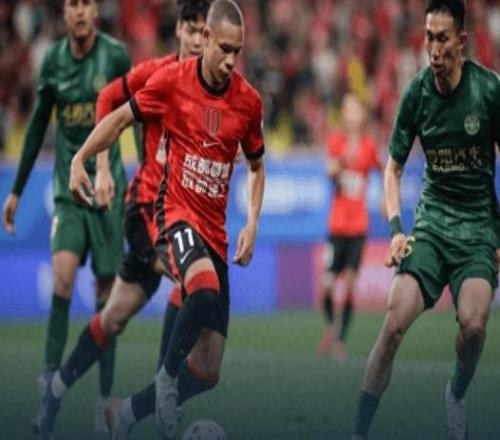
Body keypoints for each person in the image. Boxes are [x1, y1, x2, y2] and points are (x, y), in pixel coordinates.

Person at [42, 1, 265, 439]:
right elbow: (114, 110)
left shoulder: (247, 102)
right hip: (158, 212)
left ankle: (95, 402)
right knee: (197, 285)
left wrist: (253, 221)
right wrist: (87, 161)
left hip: (212, 232)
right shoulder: (164, 77)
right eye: (220, 46)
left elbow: (257, 165)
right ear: (192, 34)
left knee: (197, 363)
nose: (230, 59)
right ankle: (165, 378)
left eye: (237, 51)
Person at [352, 1, 499, 439]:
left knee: (473, 326)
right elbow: (392, 170)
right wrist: (397, 229)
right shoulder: (416, 93)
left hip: (478, 227)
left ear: (461, 41)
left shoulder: (489, 90)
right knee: (394, 320)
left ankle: (455, 393)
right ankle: (358, 432)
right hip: (432, 224)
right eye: (428, 37)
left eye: (442, 39)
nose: (433, 49)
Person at [1, 0, 131, 434]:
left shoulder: (115, 56)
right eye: (71, 4)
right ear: (64, 14)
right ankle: (48, 396)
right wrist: (16, 190)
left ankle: (104, 401)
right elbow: (38, 124)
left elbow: (134, 116)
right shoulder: (53, 61)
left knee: (107, 297)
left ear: (95, 11)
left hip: (107, 190)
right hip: (68, 191)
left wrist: (147, 172)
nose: (78, 11)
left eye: (85, 3)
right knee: (62, 279)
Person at [318, 93, 382, 361]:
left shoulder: (369, 146)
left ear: (362, 115)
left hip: (358, 227)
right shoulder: (337, 142)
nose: (351, 114)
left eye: (354, 109)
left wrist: (386, 199)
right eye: (346, 110)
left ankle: (340, 339)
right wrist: (344, 158)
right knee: (327, 286)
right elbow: (330, 170)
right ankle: (331, 327)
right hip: (336, 227)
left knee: (352, 284)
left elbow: (385, 170)